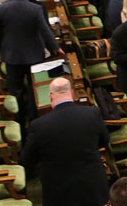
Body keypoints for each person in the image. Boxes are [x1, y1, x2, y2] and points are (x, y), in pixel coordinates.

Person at [20, 77, 109, 206]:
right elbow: (104, 141)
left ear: (50, 97)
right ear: (72, 93)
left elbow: (27, 159)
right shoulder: (92, 114)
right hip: (92, 187)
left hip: (59, 193)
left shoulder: (38, 126)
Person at [0, 0, 64, 129]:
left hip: (11, 55)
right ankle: (33, 119)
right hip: (33, 54)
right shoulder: (35, 9)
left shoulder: (3, 8)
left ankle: (18, 121)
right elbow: (45, 31)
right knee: (34, 89)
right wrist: (56, 48)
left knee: (16, 90)